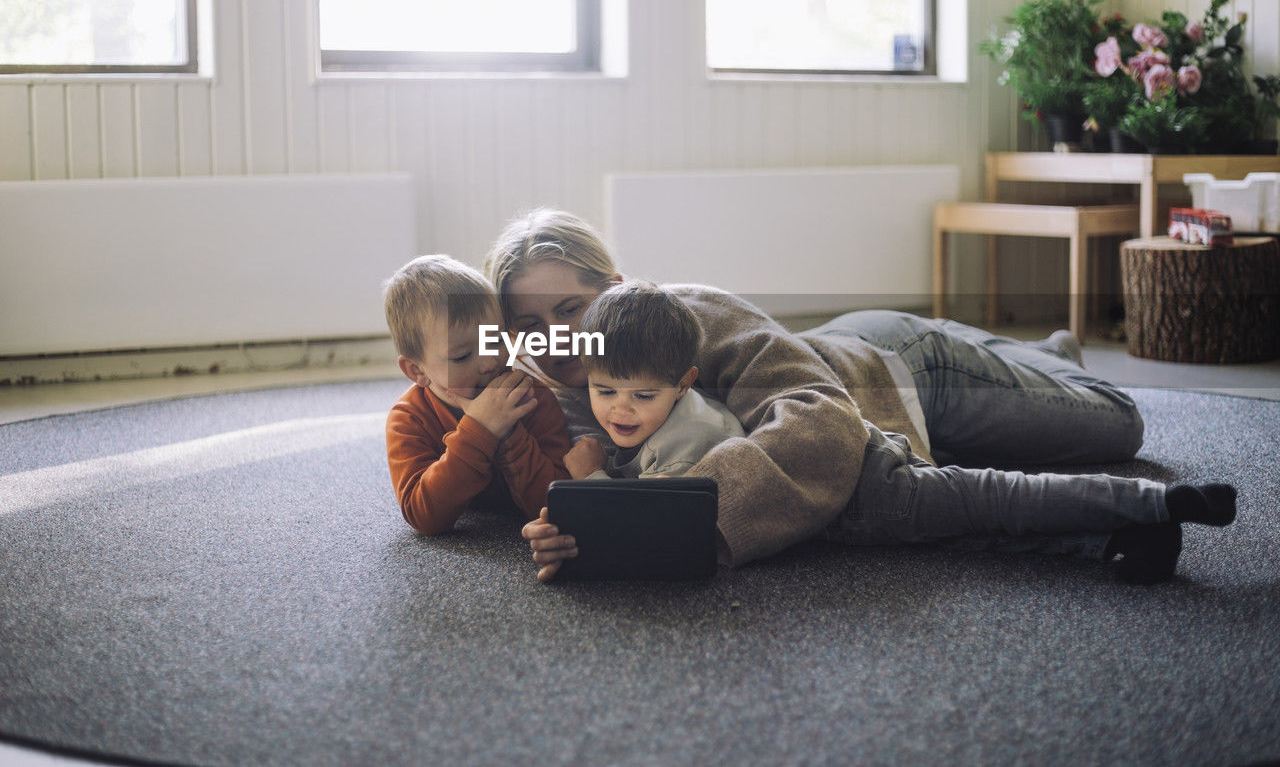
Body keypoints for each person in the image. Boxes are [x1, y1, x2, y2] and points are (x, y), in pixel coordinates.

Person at [487, 209, 1237, 584]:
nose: (554, 337)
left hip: (896, 369)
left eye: (568, 310)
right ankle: (1030, 357)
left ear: (613, 290)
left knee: (1117, 423)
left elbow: (815, 413)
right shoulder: (537, 395)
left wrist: (674, 516)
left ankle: (1050, 354)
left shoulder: (682, 318)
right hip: (842, 368)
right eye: (528, 324)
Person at [382, 254, 570, 536]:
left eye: (495, 340)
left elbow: (554, 503)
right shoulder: (409, 418)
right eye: (462, 356)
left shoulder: (533, 396)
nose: (489, 362)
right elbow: (423, 517)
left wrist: (509, 434)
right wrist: (480, 430)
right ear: (416, 370)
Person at [560, 279, 744, 482]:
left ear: (683, 385)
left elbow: (637, 513)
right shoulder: (660, 413)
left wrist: (590, 474)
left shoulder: (679, 454)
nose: (621, 410)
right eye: (606, 392)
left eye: (643, 396)